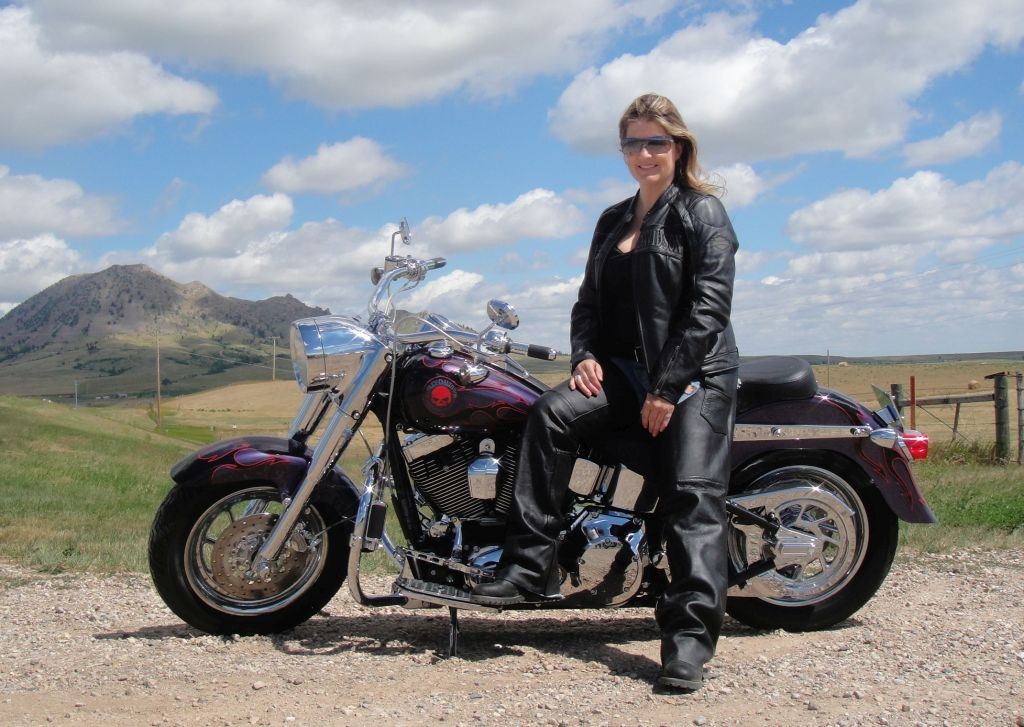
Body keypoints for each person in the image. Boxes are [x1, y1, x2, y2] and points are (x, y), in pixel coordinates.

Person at [471, 93, 739, 693]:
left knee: (691, 494)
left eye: (656, 142)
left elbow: (708, 309)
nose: (644, 154)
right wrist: (586, 356)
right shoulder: (613, 219)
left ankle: (688, 642)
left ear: (679, 146)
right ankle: (527, 568)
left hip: (695, 374)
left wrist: (669, 387)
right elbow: (587, 304)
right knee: (547, 416)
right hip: (623, 371)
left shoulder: (702, 212)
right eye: (633, 143)